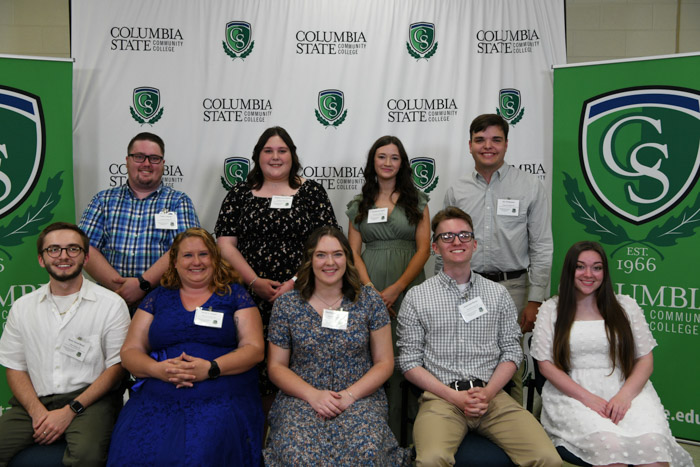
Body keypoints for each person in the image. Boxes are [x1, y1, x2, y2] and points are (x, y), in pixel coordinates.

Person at [397, 207, 560, 466]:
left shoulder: (497, 295)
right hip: (442, 399)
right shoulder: (417, 298)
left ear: (474, 244)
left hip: (492, 397)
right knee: (431, 460)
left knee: (547, 458)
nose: (457, 241)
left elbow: (511, 351)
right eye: (447, 236)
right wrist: (455, 397)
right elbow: (409, 362)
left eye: (464, 235)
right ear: (435, 247)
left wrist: (487, 392)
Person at [106, 228, 264, 466]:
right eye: (188, 255)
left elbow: (254, 348)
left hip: (222, 389)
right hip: (159, 389)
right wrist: (157, 369)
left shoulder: (234, 295)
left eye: (204, 254)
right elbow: (130, 352)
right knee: (133, 451)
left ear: (215, 258)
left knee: (202, 453)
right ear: (175, 262)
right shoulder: (157, 297)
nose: (196, 262)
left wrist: (211, 368)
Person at [531, 241, 693, 467]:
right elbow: (546, 365)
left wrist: (624, 396)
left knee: (653, 449)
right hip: (573, 394)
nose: (589, 274)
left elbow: (645, 359)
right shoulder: (551, 309)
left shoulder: (626, 306)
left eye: (597, 267)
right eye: (580, 267)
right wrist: (589, 399)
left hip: (626, 390)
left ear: (604, 272)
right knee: (611, 449)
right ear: (569, 270)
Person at [263, 226, 411, 466]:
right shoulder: (287, 305)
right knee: (298, 455)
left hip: (360, 396)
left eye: (337, 254)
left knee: (366, 452)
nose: (329, 262)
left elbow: (385, 363)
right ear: (309, 260)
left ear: (347, 258)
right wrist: (312, 395)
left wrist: (349, 396)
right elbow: (276, 367)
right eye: (321, 254)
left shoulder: (369, 300)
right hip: (301, 397)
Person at [215, 126, 338, 401]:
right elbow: (225, 245)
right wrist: (254, 282)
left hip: (305, 294)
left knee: (297, 369)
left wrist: (295, 282)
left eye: (282, 151)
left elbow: (328, 244)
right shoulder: (239, 194)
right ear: (257, 156)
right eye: (268, 151)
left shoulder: (312, 193)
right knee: (251, 371)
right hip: (248, 297)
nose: (275, 157)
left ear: (292, 155)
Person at [443, 113, 553, 404]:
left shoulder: (530, 186)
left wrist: (535, 298)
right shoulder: (457, 189)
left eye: (495, 139)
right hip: (465, 289)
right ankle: (466, 420)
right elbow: (445, 244)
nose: (487, 146)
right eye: (480, 140)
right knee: (463, 355)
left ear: (506, 144)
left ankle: (513, 425)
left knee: (510, 361)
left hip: (513, 289)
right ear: (469, 145)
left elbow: (542, 245)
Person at [0, 222, 130, 466]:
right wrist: (38, 412)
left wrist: (71, 410)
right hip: (34, 401)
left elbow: (117, 368)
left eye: (73, 249)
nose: (63, 256)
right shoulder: (22, 307)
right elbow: (15, 367)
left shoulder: (111, 304)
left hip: (91, 401)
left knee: (86, 457)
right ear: (41, 259)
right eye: (54, 250)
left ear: (86, 256)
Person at [345, 135, 430, 440]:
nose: (387, 163)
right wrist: (371, 291)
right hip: (369, 287)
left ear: (402, 163)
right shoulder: (359, 204)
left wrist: (396, 289)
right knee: (375, 356)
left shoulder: (417, 201)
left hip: (407, 285)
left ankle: (410, 434)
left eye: (394, 157)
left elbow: (424, 249)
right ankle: (377, 433)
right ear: (373, 162)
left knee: (408, 354)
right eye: (382, 157)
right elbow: (353, 253)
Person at [79, 132, 200, 310]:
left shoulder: (179, 201)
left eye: (154, 158)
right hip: (109, 301)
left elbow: (185, 249)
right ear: (127, 161)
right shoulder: (103, 200)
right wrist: (121, 290)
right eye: (139, 157)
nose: (146, 164)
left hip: (163, 302)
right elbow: (84, 248)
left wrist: (142, 285)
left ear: (163, 164)